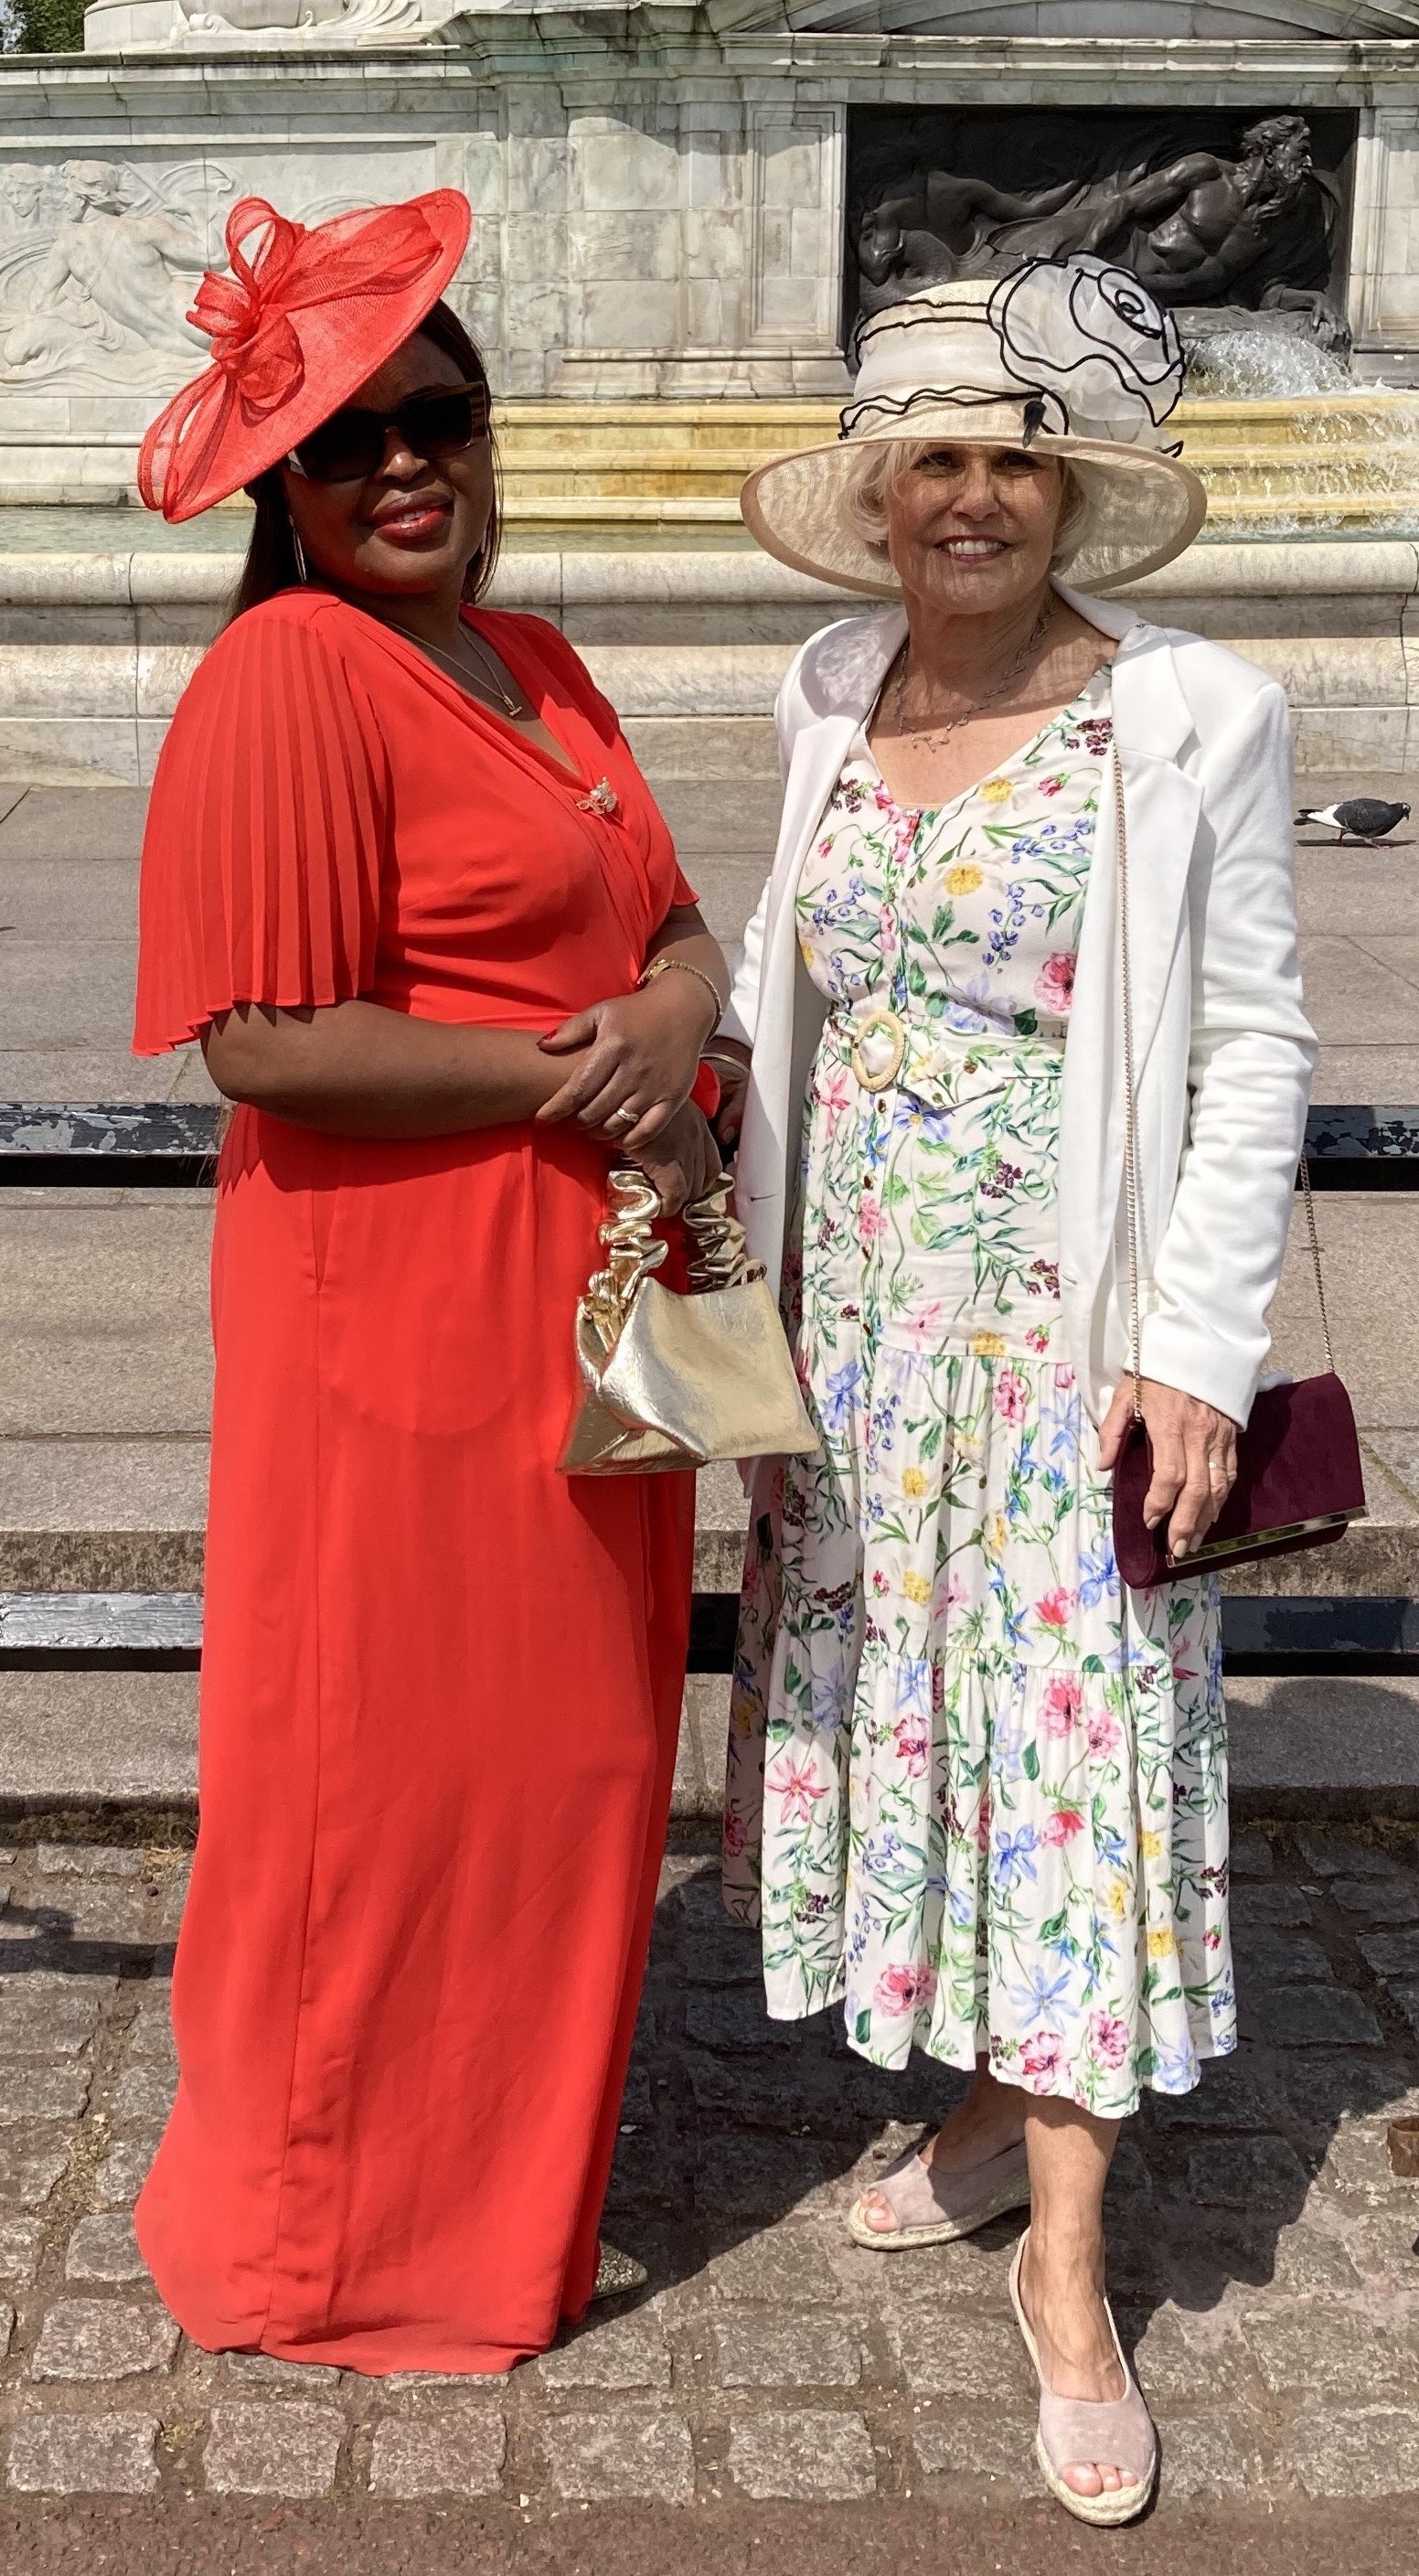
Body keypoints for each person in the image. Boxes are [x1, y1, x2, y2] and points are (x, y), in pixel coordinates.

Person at [715, 264, 1315, 2525]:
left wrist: (1194, 1343)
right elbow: (802, 1003)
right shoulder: (821, 689)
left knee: (1063, 1773)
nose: (969, 497)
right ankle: (974, 2107)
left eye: (1009, 458)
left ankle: (1067, 2277)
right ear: (875, 497)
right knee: (929, 1735)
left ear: (1067, 487)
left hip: (1064, 1355)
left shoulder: (1188, 715)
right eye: (931, 460)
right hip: (853, 1344)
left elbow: (1252, 1041)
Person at [130, 189, 727, 2373]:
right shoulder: (289, 669)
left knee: (561, 1770)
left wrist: (674, 1003)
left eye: (437, 420)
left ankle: (495, 2212)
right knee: (383, 1774)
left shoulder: (537, 656)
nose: (401, 466)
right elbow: (265, 1040)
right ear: (281, 489)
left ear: (489, 439)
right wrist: (580, 1069)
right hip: (395, 1314)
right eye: (345, 440)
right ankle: (329, 2243)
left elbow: (670, 916)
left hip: (594, 1306)